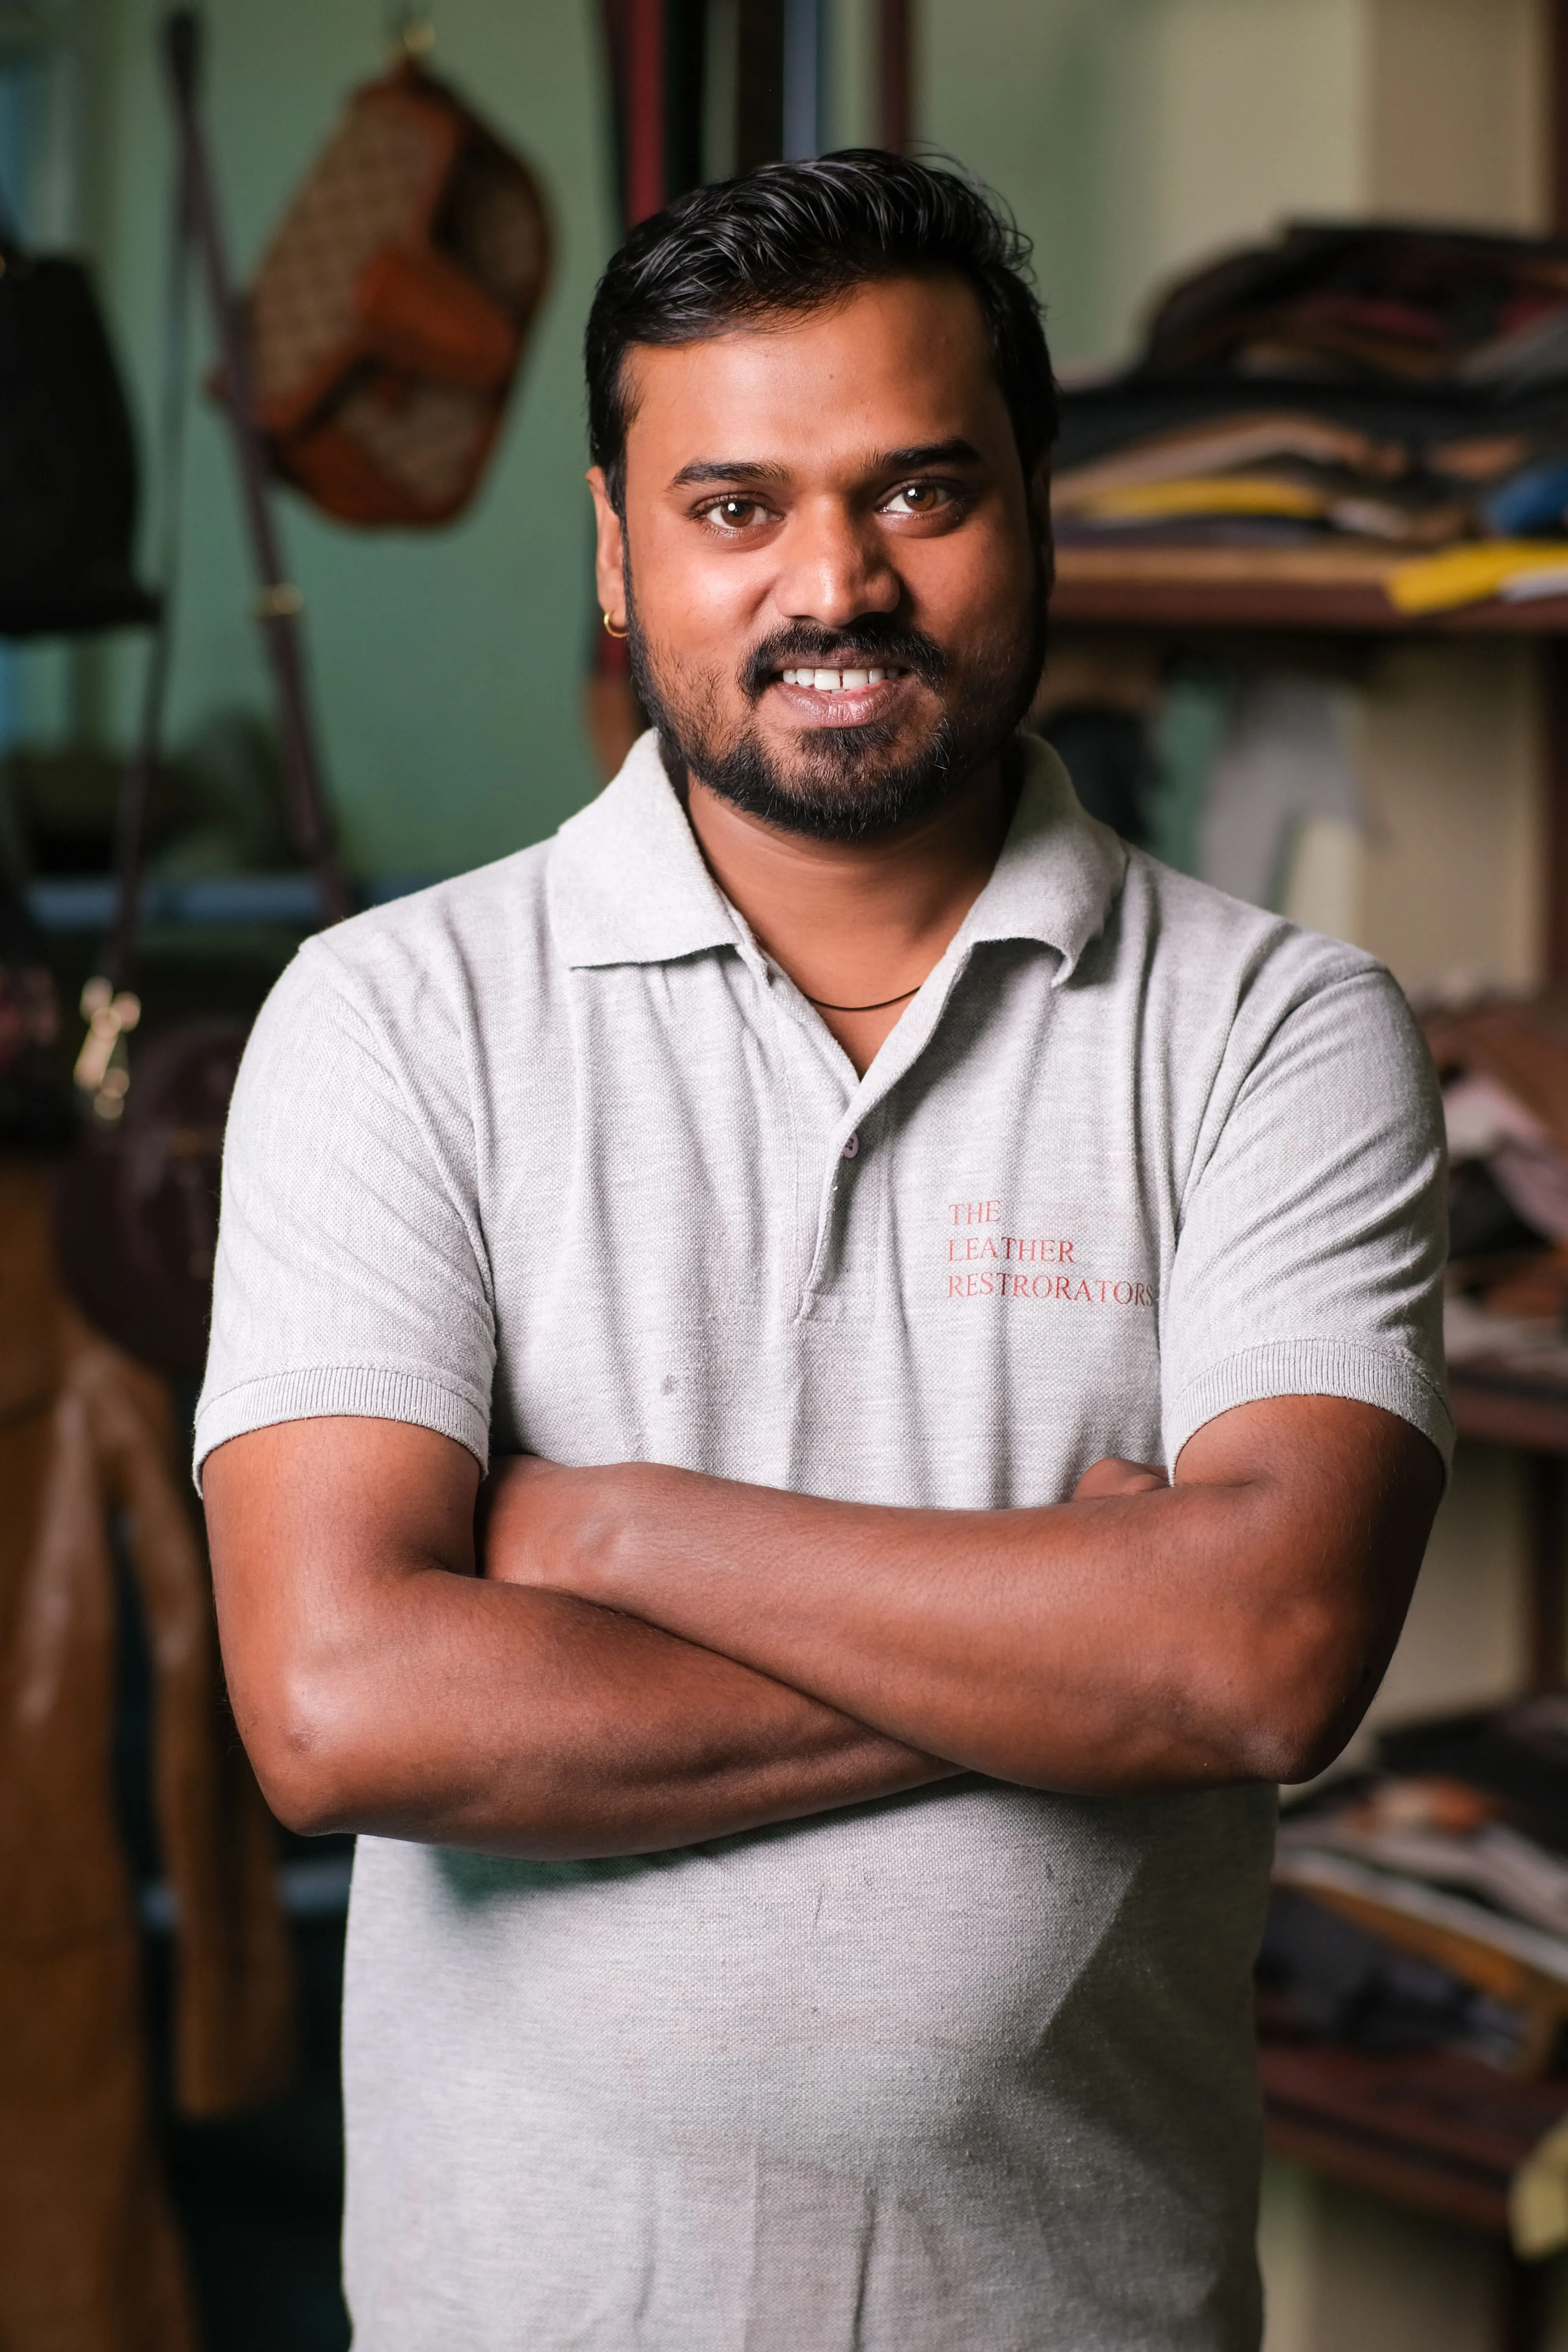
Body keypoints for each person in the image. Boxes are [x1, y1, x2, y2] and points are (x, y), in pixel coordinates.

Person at [199, 153, 1448, 2352]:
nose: (836, 585)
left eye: (922, 492)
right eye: (734, 506)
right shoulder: (395, 1017)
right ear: (614, 546)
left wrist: (608, 1532)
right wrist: (1068, 1658)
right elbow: (337, 1703)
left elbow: (1256, 1653)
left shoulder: (1274, 1028)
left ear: (1043, 498)